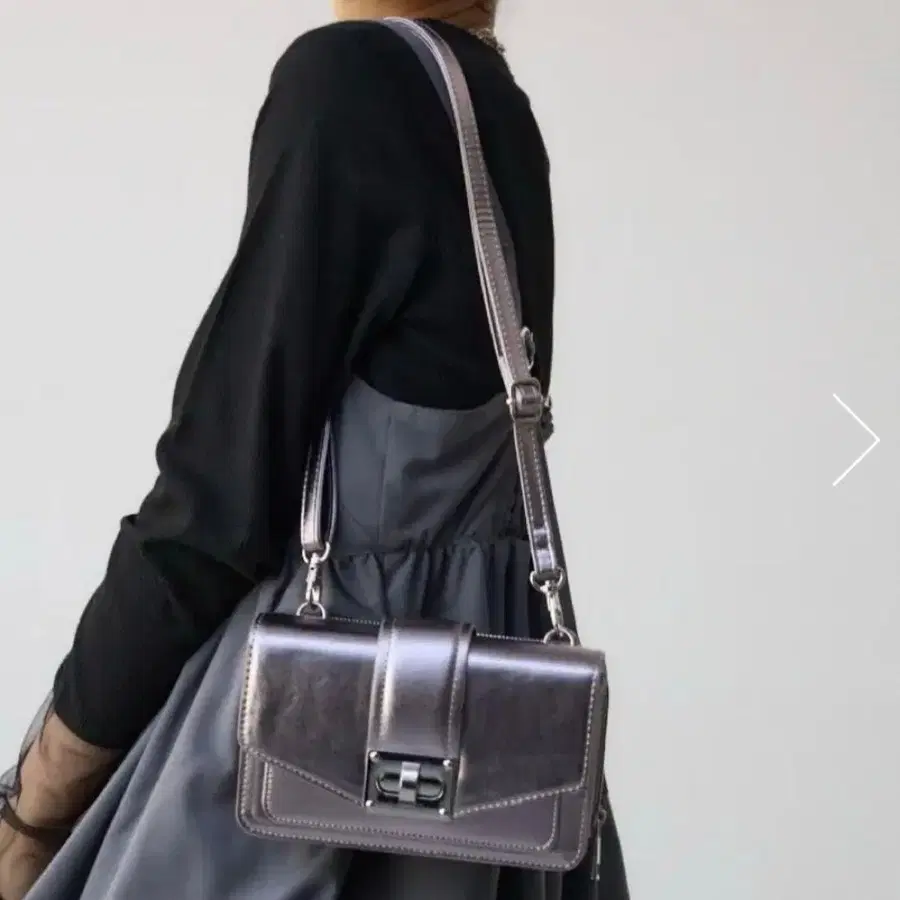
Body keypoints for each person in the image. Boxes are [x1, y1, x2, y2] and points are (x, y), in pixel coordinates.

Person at [0, 2, 629, 898]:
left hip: (312, 770)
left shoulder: (351, 82)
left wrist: (34, 806)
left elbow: (211, 512)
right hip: (468, 792)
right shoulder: (490, 104)